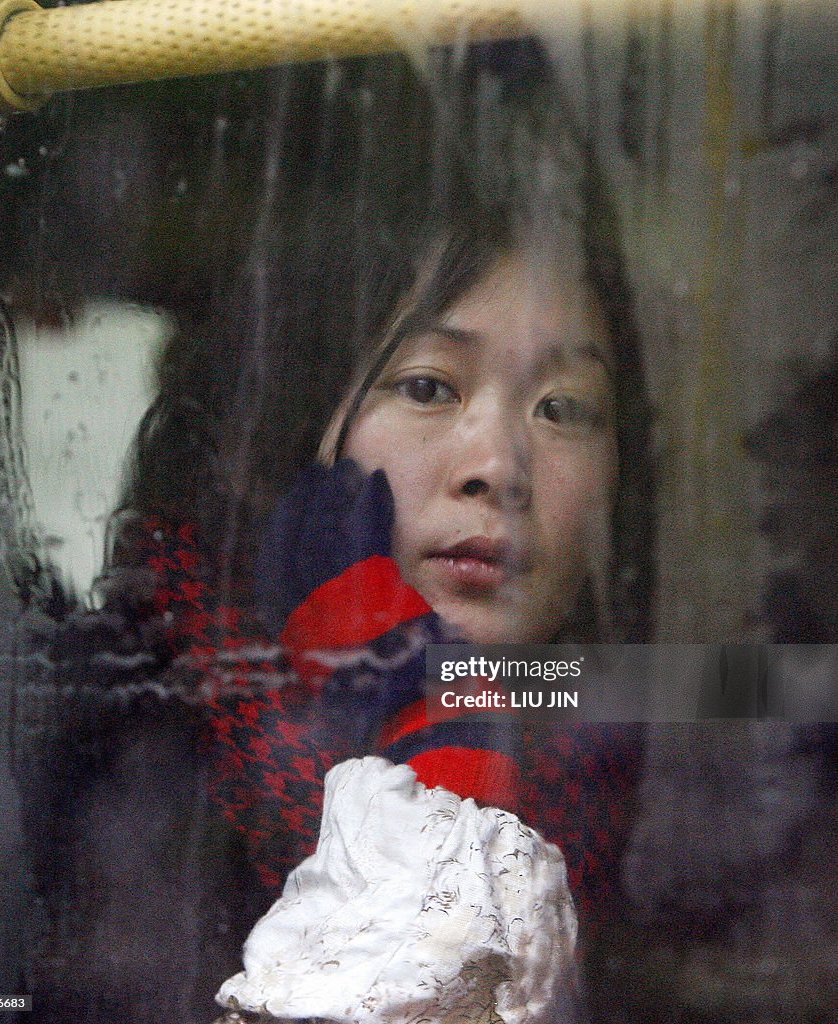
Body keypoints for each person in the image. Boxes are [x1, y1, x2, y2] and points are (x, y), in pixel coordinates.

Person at [102, 40, 654, 1023]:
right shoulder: (130, 746)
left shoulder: (631, 733)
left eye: (563, 408)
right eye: (427, 385)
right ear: (289, 431)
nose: (498, 465)